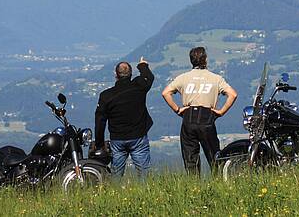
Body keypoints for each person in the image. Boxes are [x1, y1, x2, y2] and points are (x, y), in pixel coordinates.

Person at [161, 46, 237, 174]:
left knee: (190, 158)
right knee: (214, 157)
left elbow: (165, 93)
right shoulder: (215, 78)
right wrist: (221, 111)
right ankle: (218, 180)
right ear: (205, 60)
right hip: (207, 116)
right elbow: (233, 94)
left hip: (189, 117)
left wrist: (178, 109)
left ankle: (194, 183)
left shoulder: (183, 78)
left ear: (191, 61)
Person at [94, 56, 154, 177]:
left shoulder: (106, 96)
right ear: (131, 74)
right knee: (144, 174)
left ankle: (116, 193)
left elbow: (100, 121)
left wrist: (99, 144)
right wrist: (142, 65)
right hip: (138, 137)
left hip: (117, 139)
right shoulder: (139, 87)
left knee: (116, 174)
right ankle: (145, 194)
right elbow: (149, 77)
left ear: (116, 75)